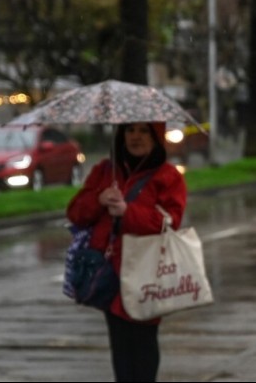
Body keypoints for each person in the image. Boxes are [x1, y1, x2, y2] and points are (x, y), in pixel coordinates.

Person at [66, 121, 187, 382]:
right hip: (110, 272)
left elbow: (168, 222)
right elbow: (76, 213)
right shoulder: (105, 171)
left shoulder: (167, 177)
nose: (136, 137)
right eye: (130, 130)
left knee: (142, 342)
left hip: (148, 272)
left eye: (144, 131)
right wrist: (99, 199)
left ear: (156, 137)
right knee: (120, 342)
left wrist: (127, 212)